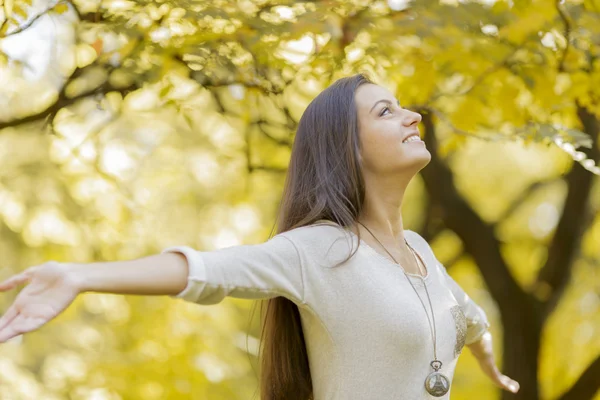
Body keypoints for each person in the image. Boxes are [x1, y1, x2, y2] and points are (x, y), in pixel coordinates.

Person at [0, 73, 520, 399]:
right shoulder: (321, 250)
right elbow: (207, 270)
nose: (413, 116)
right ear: (346, 147)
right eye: (386, 111)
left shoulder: (423, 255)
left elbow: (468, 321)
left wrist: (492, 369)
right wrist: (79, 276)